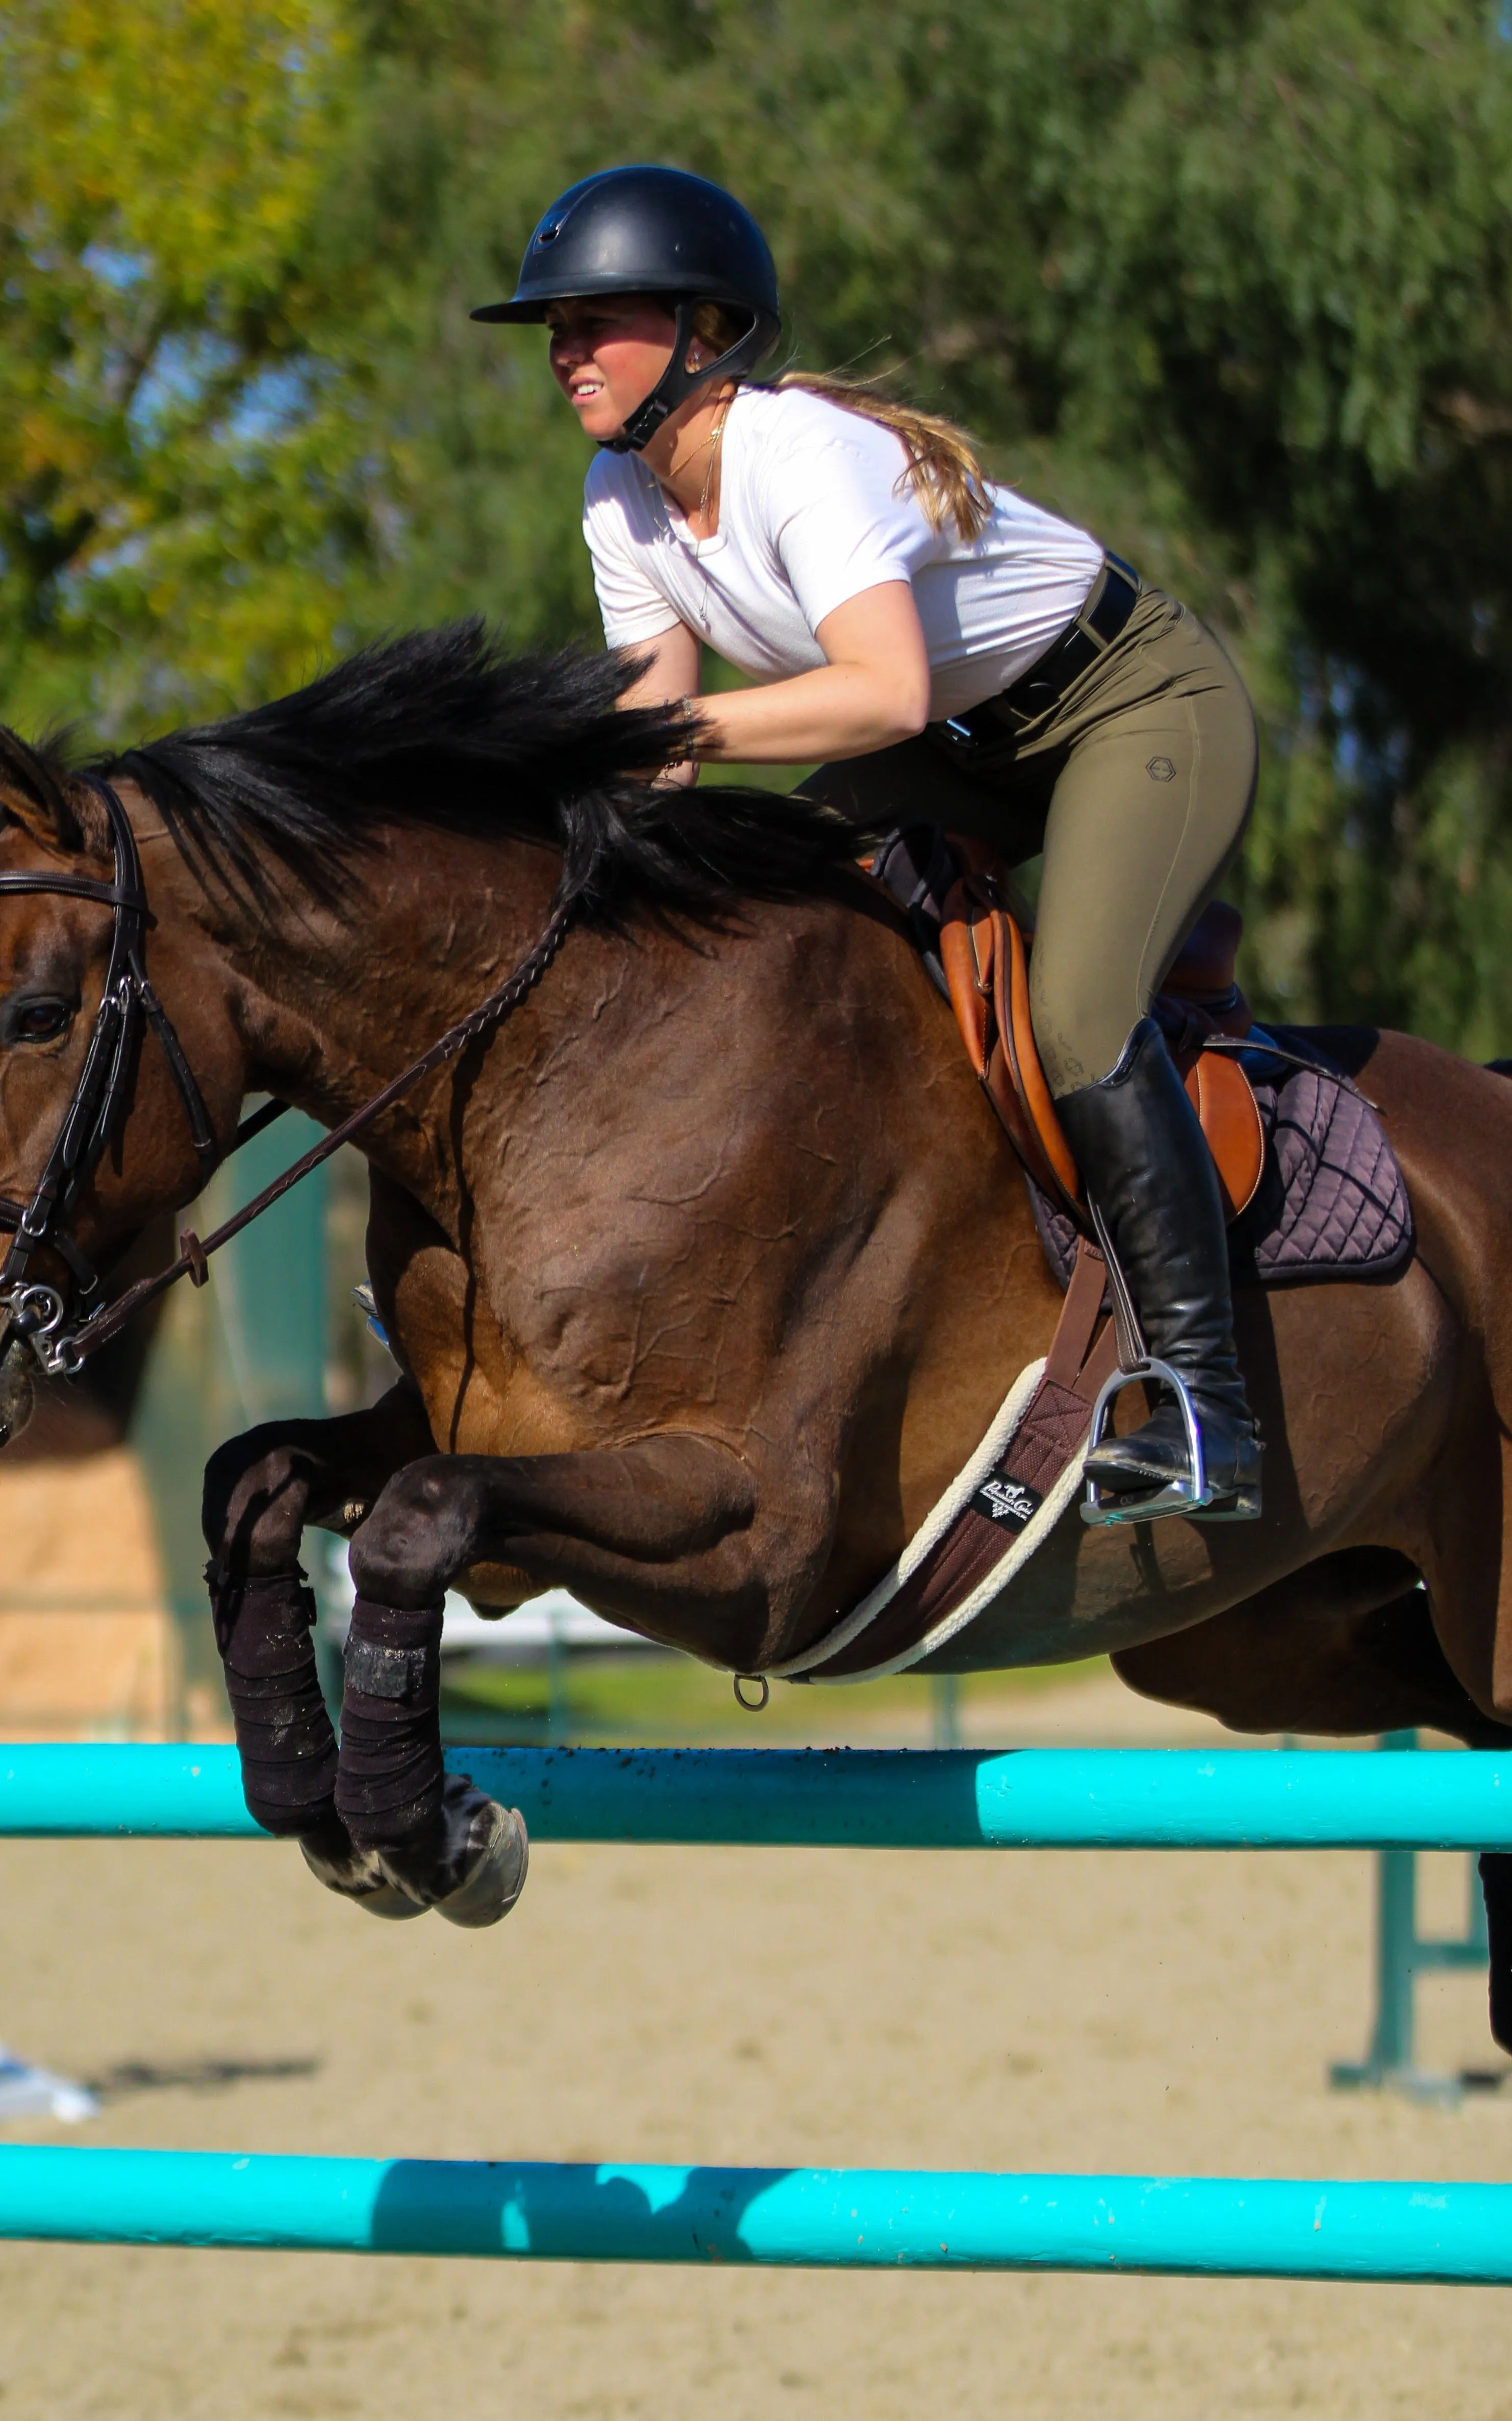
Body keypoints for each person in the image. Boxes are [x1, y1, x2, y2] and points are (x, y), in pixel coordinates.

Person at [472, 164, 1261, 1524]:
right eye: (554, 326)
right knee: (767, 912)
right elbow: (653, 740)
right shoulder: (620, 496)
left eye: (594, 320)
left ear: (700, 332)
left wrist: (670, 742)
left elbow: (881, 689)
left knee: (1074, 1022)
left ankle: (1203, 1407)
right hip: (967, 748)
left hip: (1132, 703)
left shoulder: (799, 455)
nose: (563, 351)